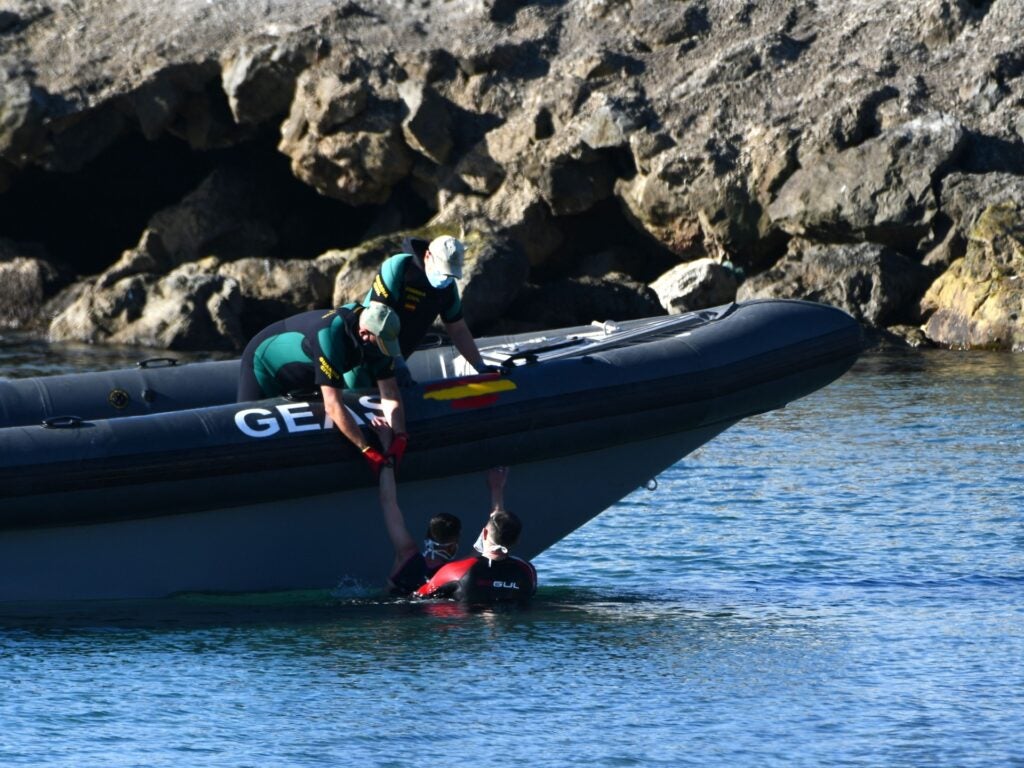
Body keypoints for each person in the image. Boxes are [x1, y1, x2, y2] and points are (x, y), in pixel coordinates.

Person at [237, 303, 407, 475]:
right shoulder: (330, 337)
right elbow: (333, 406)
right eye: (381, 344)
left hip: (308, 370)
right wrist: (366, 450)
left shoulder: (378, 340)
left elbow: (390, 394)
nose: (383, 349)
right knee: (248, 445)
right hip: (264, 364)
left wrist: (400, 436)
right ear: (363, 334)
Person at [344, 234, 491, 388]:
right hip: (364, 353)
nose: (445, 279)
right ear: (428, 256)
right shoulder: (400, 267)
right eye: (442, 272)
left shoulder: (448, 288)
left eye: (450, 275)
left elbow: (458, 329)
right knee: (358, 389)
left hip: (395, 362)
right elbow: (378, 319)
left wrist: (480, 367)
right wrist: (399, 364)